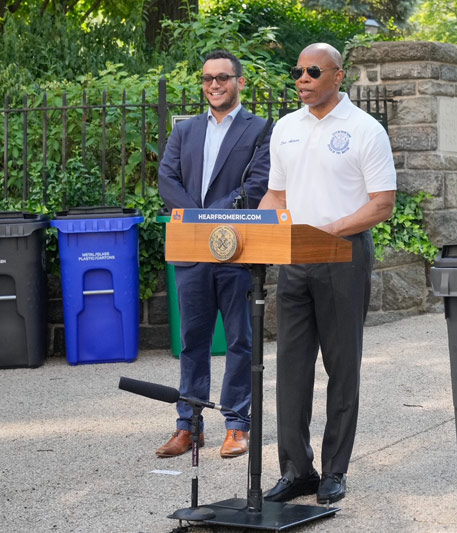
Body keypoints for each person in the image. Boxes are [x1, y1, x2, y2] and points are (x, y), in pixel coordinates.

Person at [258, 43, 397, 505]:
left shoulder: (365, 129)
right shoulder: (284, 128)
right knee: (291, 368)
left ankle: (335, 470)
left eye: (312, 70)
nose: (302, 78)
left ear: (338, 76)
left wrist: (326, 232)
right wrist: (254, 230)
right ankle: (297, 469)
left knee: (342, 367)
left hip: (343, 255)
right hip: (294, 259)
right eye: (297, 71)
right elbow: (276, 196)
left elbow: (382, 203)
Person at [156, 50, 271, 459]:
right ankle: (189, 425)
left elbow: (258, 185)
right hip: (192, 251)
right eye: (207, 78)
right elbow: (166, 178)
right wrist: (195, 219)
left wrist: (208, 218)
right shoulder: (185, 130)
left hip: (238, 249)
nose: (214, 85)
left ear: (240, 82)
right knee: (193, 341)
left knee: (241, 340)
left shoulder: (260, 129)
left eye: (223, 77)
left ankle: (238, 425)